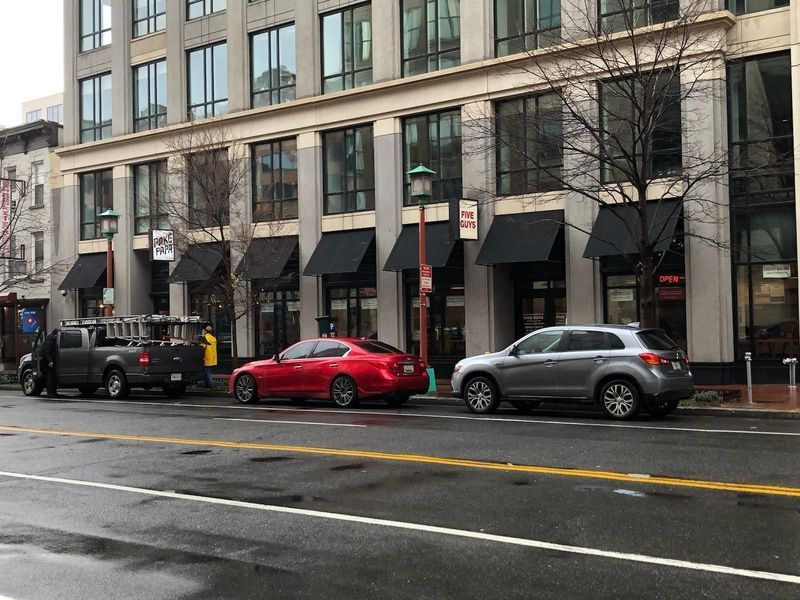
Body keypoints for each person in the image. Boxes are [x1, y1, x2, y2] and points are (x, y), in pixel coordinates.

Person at [41, 328, 59, 398]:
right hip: (47, 363)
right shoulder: (49, 342)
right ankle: (50, 393)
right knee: (50, 378)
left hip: (49, 362)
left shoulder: (52, 341)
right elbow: (46, 353)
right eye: (57, 335)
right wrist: (50, 361)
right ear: (55, 335)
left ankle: (54, 392)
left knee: (53, 377)